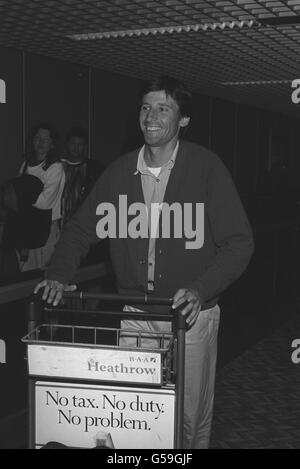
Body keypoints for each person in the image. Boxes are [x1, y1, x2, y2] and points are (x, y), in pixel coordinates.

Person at [34, 76, 254, 449]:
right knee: (135, 416)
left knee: (187, 420)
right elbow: (80, 230)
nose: (151, 116)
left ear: (183, 119)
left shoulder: (206, 168)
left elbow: (239, 243)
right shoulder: (120, 172)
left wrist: (201, 290)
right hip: (136, 311)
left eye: (163, 108)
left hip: (190, 316)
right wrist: (58, 275)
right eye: (145, 107)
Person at [19, 124, 65, 271]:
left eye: (46, 139)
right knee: (25, 274)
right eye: (38, 138)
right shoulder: (25, 165)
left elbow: (44, 202)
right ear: (32, 141)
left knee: (45, 274)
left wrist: (22, 196)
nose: (41, 142)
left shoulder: (55, 167)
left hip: (46, 229)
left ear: (52, 144)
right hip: (26, 227)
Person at [61, 126, 104, 226]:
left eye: (80, 144)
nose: (76, 148)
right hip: (59, 224)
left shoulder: (94, 169)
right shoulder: (58, 166)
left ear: (85, 146)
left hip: (84, 224)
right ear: (67, 144)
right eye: (73, 144)